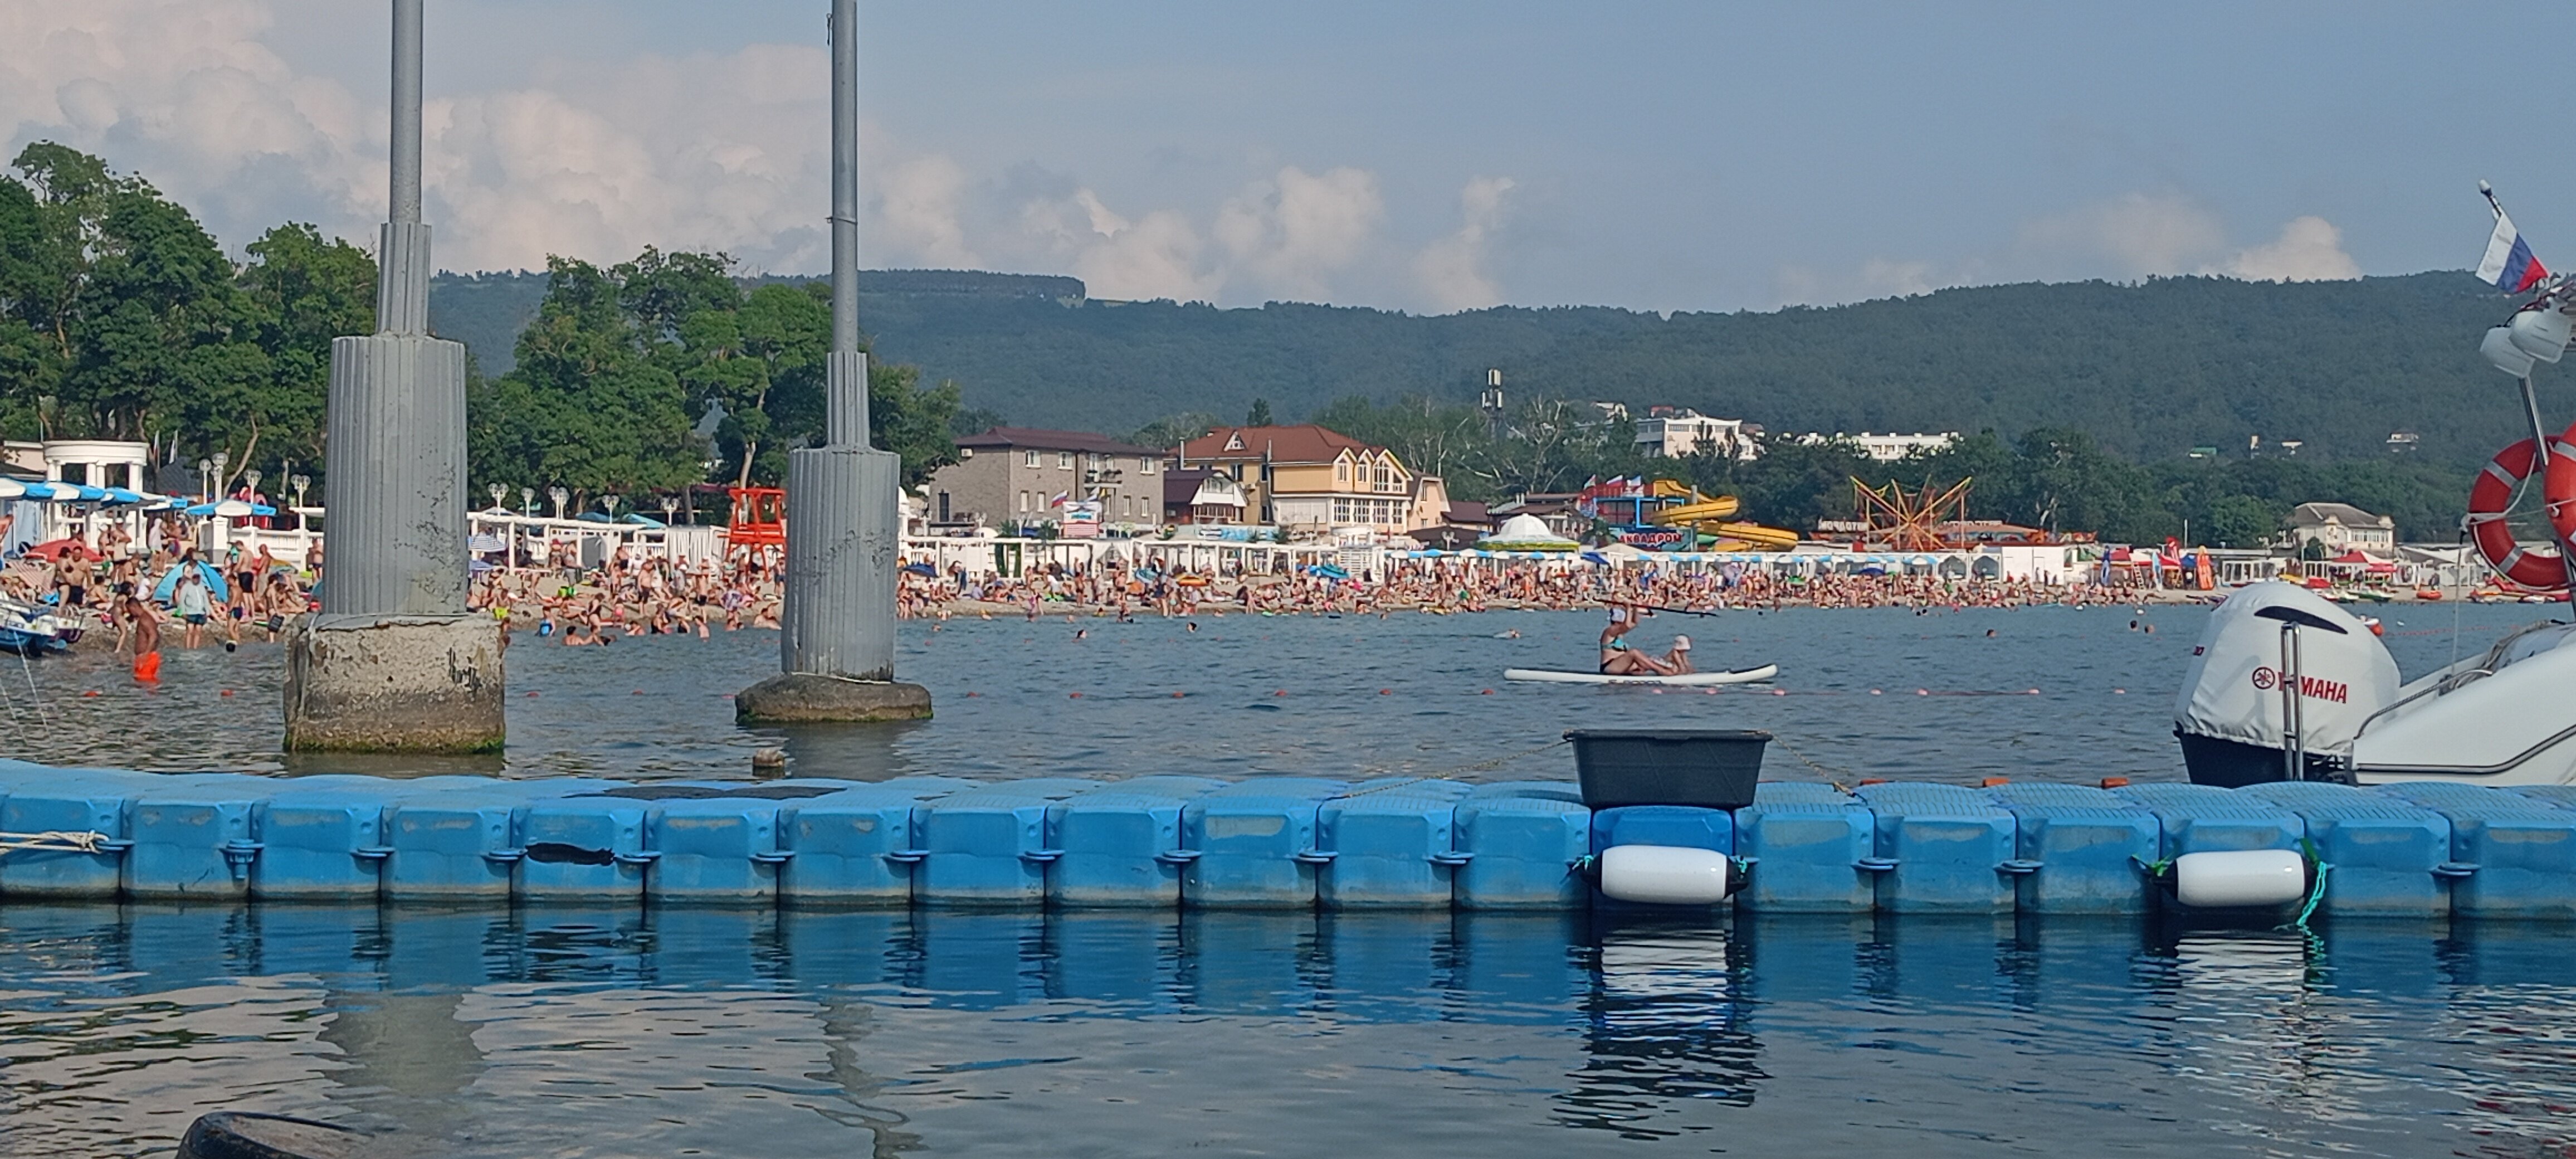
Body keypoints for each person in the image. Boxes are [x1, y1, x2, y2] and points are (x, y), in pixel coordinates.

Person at [1598, 605, 1677, 676]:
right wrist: (1628, 608)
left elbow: (1635, 623)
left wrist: (1635, 608)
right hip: (1609, 667)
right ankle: (1662, 671)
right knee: (1634, 653)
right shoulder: (1609, 631)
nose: (1620, 625)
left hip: (1623, 666)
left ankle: (1673, 669)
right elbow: (1627, 626)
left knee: (1648, 660)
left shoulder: (1619, 633)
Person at [172, 567, 212, 649]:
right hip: (190, 612)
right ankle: (188, 648)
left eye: (198, 577)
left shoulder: (202, 587)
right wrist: (183, 612)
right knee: (190, 630)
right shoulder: (186, 587)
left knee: (198, 631)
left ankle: (195, 648)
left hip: (201, 612)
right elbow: (182, 600)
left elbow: (206, 600)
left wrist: (207, 612)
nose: (196, 579)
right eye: (195, 577)